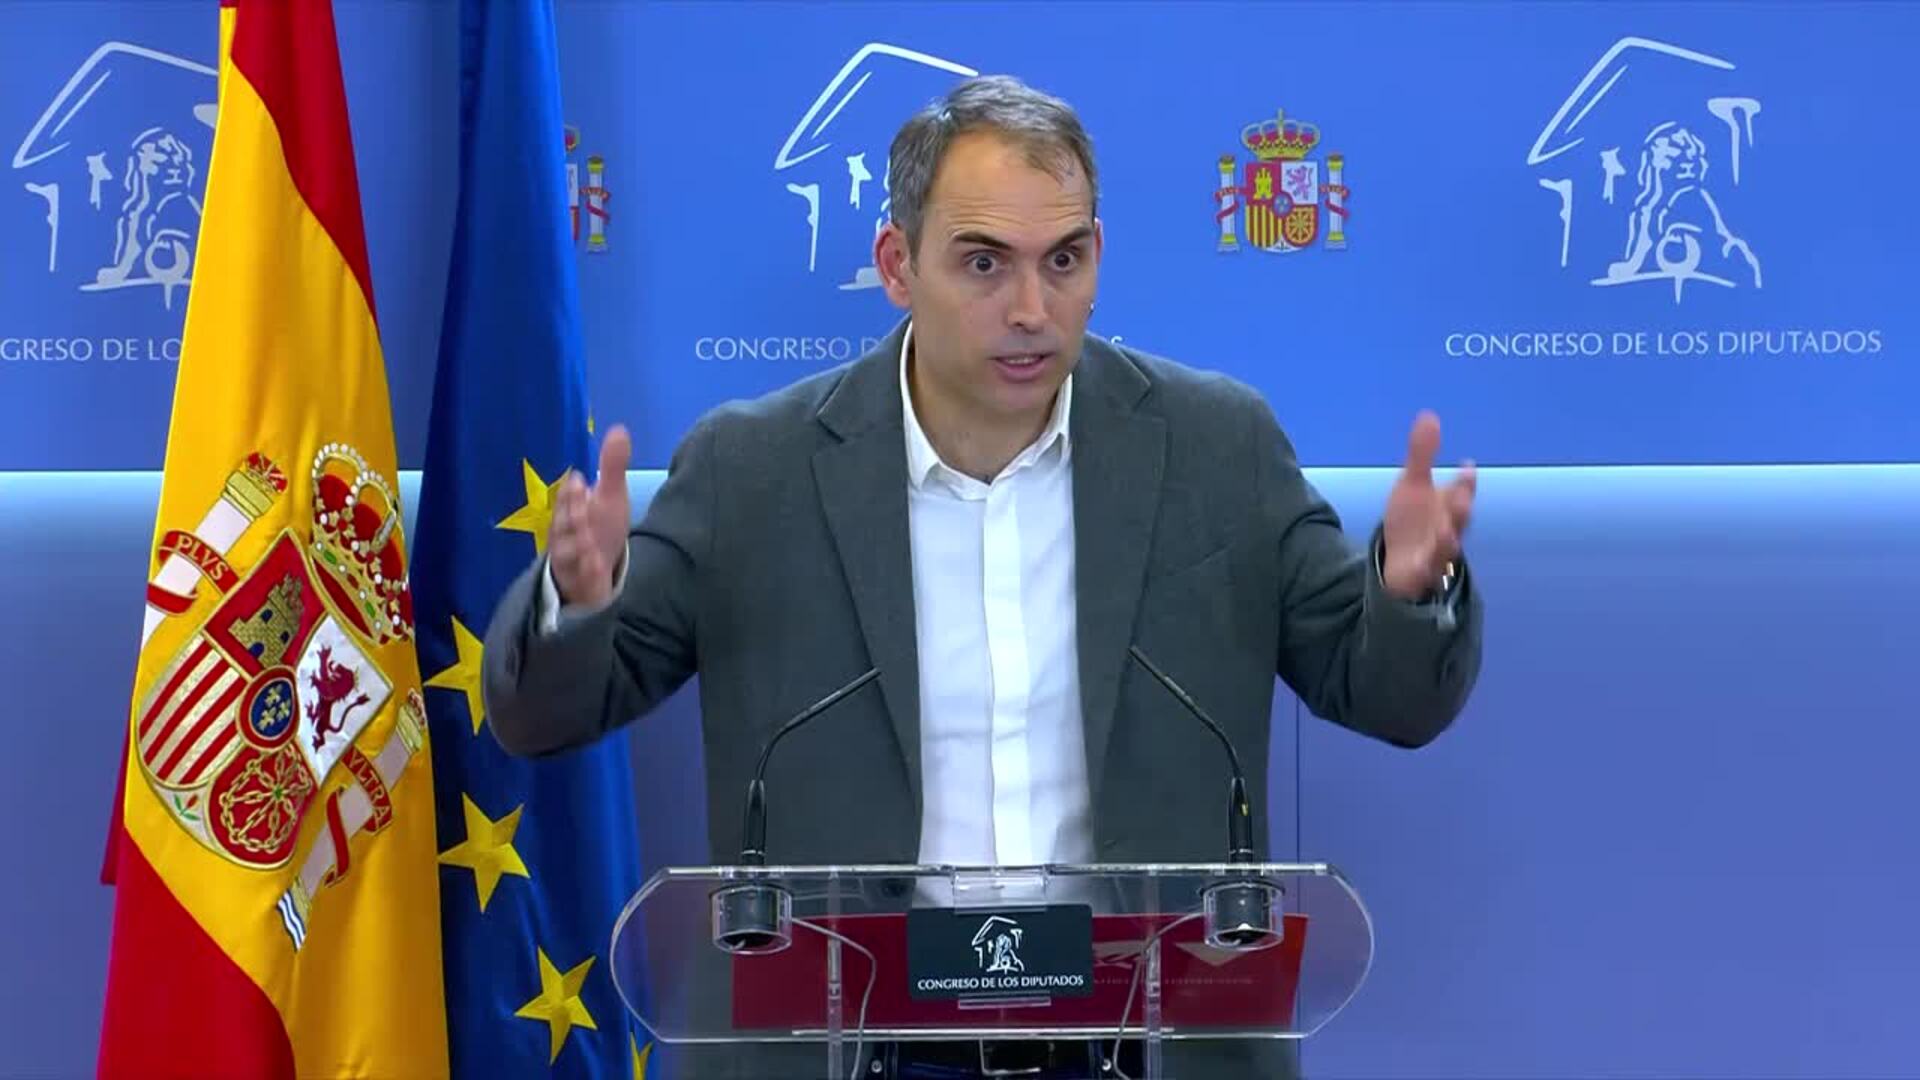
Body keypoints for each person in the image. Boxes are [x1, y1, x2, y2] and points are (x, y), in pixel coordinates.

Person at [482, 74, 1483, 1080]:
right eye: (984, 263)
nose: (1032, 309)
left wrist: (1409, 596)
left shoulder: (1219, 450)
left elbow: (1389, 696)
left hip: (1139, 1045)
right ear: (897, 264)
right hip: (848, 1049)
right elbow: (541, 716)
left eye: (1064, 260)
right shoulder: (752, 470)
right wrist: (579, 605)